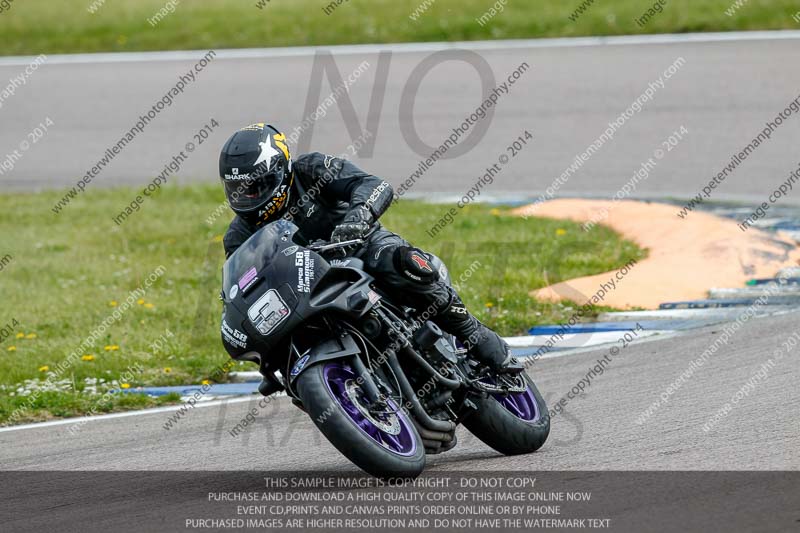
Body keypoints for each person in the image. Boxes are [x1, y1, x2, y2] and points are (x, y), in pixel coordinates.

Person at [219, 123, 520, 374]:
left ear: (282, 170)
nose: (248, 197)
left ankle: (474, 334)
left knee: (402, 262)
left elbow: (372, 184)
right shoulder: (238, 236)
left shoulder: (311, 169)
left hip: (360, 247)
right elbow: (244, 284)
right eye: (238, 190)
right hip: (308, 286)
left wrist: (358, 217)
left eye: (257, 186)